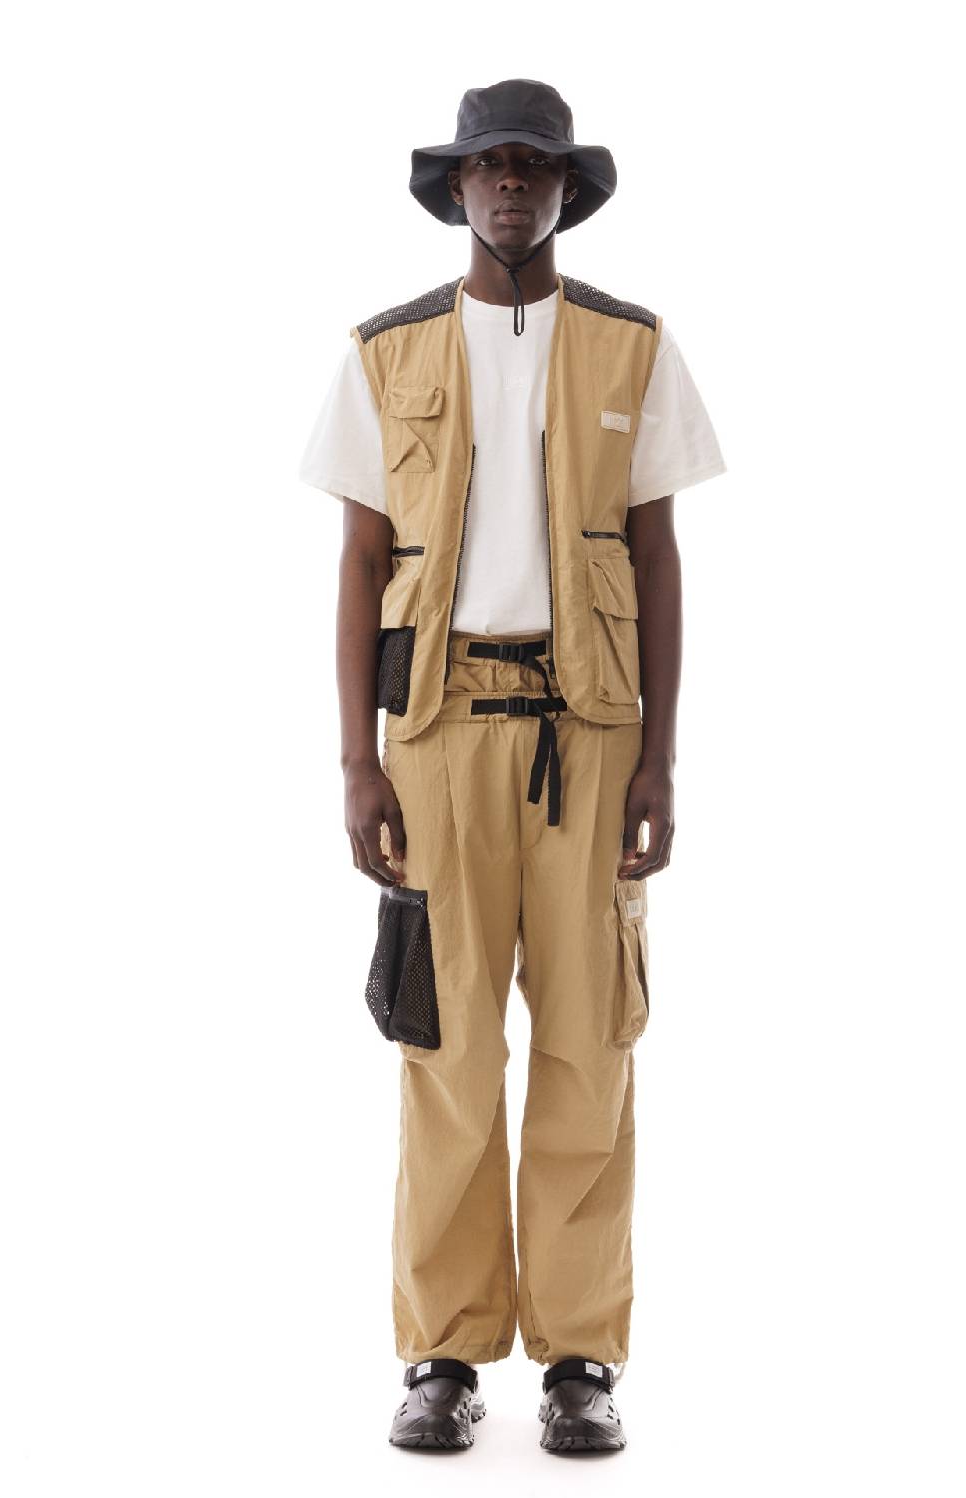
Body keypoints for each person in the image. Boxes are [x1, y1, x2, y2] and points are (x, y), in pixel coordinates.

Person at [298, 77, 726, 1455]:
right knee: (445, 1047)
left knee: (592, 1042)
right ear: (455, 185)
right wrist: (356, 764)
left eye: (534, 165)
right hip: (435, 741)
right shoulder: (385, 354)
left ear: (566, 189)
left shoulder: (633, 348)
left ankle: (581, 1355)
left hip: (590, 738)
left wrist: (661, 758)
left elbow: (657, 556)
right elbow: (360, 560)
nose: (509, 184)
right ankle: (442, 1349)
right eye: (489, 163)